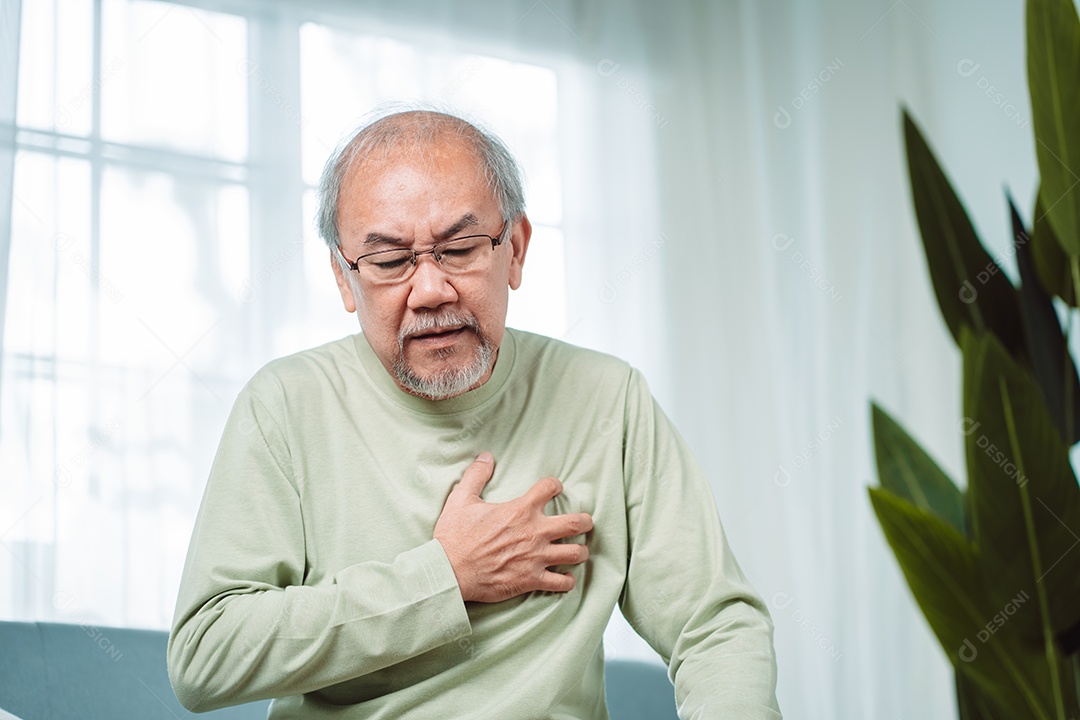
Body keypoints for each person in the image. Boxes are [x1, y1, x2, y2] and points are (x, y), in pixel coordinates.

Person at [167, 106, 780, 719]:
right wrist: (444, 577)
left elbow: (714, 628)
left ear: (514, 250)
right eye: (388, 262)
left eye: (459, 249)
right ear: (343, 277)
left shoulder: (607, 397)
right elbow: (205, 656)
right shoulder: (284, 404)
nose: (430, 290)